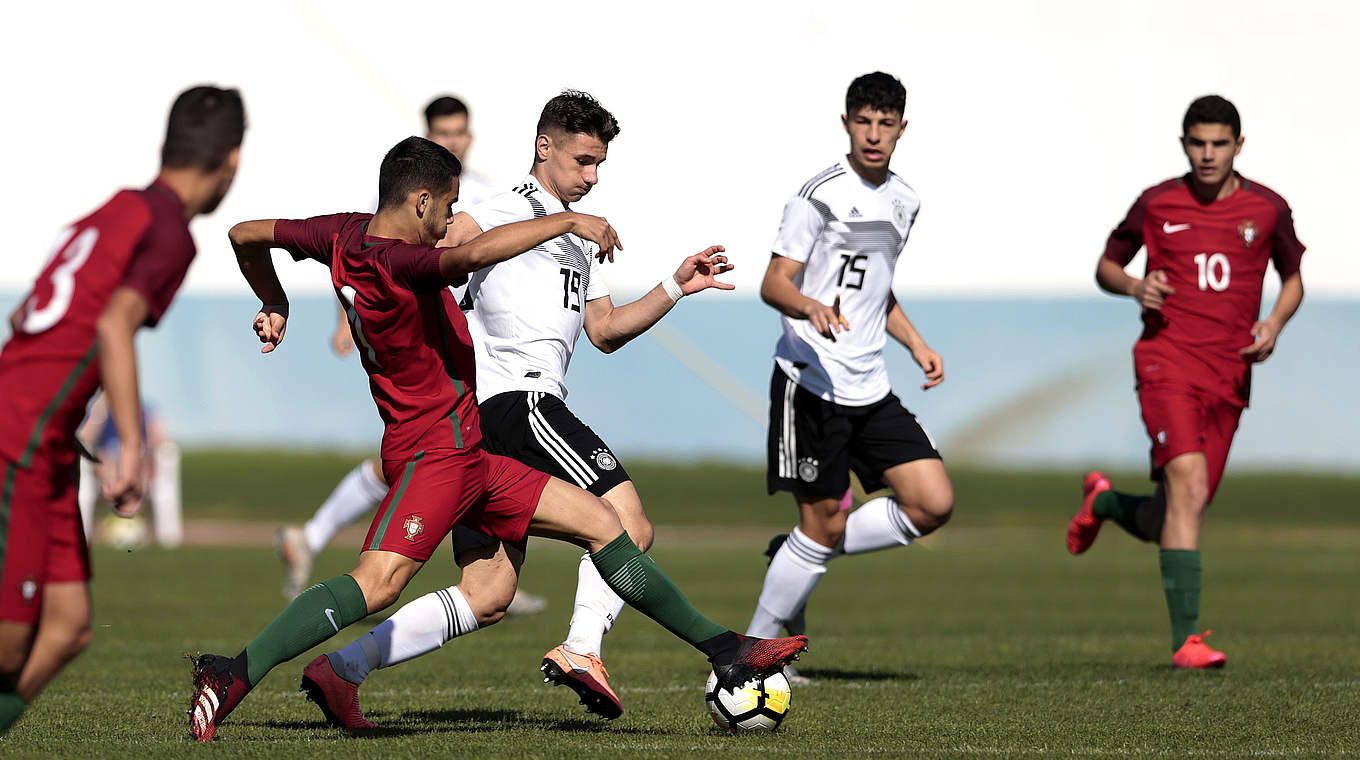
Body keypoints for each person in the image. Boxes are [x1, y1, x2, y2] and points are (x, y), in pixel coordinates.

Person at [187, 136, 806, 742]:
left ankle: (726, 649)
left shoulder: (340, 234)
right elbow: (466, 259)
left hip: (470, 451)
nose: (455, 220)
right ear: (422, 202)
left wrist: (274, 300)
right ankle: (232, 674)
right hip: (435, 453)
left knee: (602, 527)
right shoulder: (399, 262)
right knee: (376, 584)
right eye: (450, 207)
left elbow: (244, 233)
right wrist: (570, 220)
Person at [304, 90, 734, 725]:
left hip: (486, 427)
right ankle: (583, 649)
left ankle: (343, 668)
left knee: (488, 592)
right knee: (628, 523)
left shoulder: (585, 238)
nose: (591, 178)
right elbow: (422, 257)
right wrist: (362, 309)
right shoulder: (491, 210)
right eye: (583, 162)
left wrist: (675, 285)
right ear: (545, 147)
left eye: (599, 167)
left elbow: (606, 330)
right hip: (515, 401)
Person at [0, 85, 245, 735]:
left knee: (67, 628)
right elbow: (114, 323)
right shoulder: (171, 233)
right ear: (232, 162)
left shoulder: (119, 208)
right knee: (6, 644)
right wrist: (130, 446)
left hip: (45, 438)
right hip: (19, 434)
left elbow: (29, 314)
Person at [1066, 95, 1305, 668]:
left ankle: (1105, 503)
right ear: (1183, 144)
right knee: (1190, 487)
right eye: (1197, 143)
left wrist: (1273, 323)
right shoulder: (1157, 203)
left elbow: (1293, 277)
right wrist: (1133, 287)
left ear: (1238, 146)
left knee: (1176, 511)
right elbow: (1106, 264)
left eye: (1219, 144)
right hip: (1165, 362)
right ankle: (1186, 642)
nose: (1207, 154)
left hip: (1230, 375)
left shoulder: (1268, 209)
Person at [744, 72, 954, 666]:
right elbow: (773, 283)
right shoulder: (818, 196)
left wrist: (915, 342)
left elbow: (878, 291)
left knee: (933, 502)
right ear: (846, 123)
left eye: (886, 124)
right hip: (810, 383)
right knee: (824, 523)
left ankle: (801, 550)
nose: (874, 134)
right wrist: (810, 306)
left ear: (902, 129)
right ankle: (752, 655)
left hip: (871, 385)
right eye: (864, 121)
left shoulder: (905, 200)